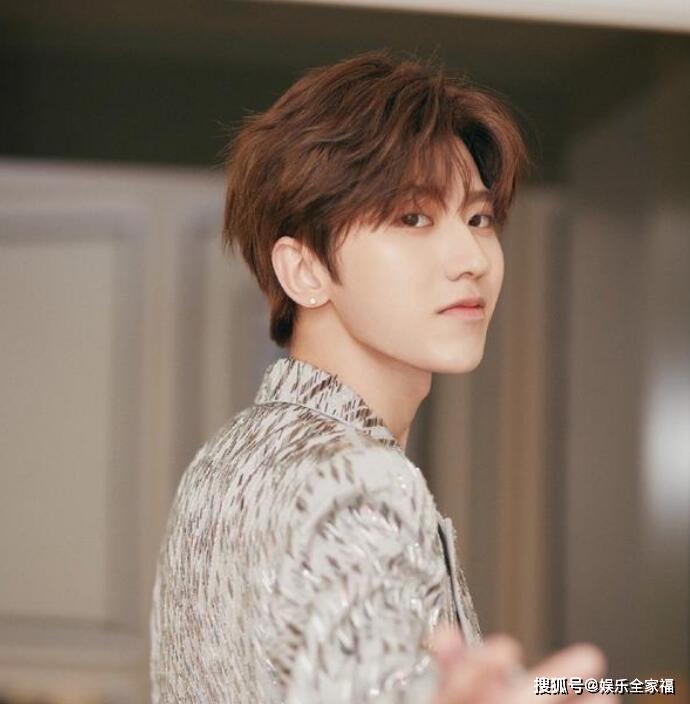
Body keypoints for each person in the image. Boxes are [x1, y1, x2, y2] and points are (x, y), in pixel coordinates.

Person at [149, 50, 615, 703]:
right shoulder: (355, 478)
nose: (471, 258)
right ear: (305, 270)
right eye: (412, 218)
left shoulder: (231, 456)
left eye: (478, 218)